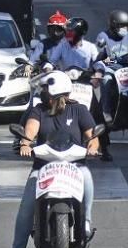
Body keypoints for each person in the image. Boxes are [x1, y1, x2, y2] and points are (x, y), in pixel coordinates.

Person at [0, 71, 99, 248]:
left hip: (74, 166)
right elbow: (30, 131)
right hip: (43, 167)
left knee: (87, 177)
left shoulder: (78, 110)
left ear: (55, 91)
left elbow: (92, 135)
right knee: (26, 206)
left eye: (45, 89)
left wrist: (93, 148)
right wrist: (25, 144)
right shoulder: (38, 110)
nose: (42, 93)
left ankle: (86, 222)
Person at [45, 17, 112, 161]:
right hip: (65, 85)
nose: (68, 34)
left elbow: (99, 63)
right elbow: (52, 61)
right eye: (67, 31)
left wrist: (98, 74)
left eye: (71, 32)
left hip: (85, 84)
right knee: (53, 110)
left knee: (98, 115)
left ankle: (104, 148)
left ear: (80, 33)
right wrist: (47, 69)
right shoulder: (62, 46)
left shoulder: (90, 48)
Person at [94, 10, 128, 125]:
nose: (124, 28)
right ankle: (106, 111)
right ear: (114, 25)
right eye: (121, 26)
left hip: (127, 68)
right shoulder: (103, 36)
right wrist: (110, 60)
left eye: (126, 26)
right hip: (110, 68)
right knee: (106, 80)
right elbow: (98, 56)